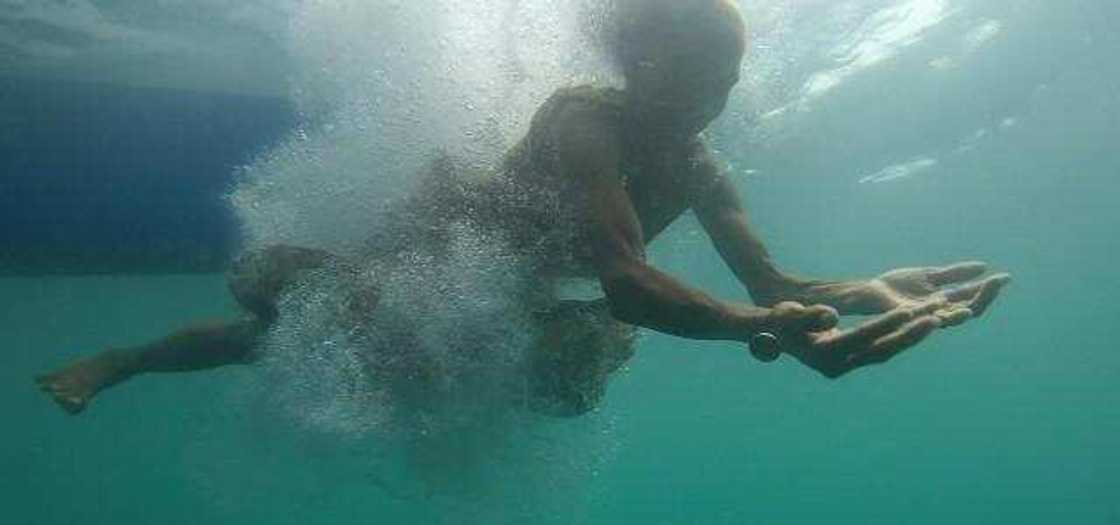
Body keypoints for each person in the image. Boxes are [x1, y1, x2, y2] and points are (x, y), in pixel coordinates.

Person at [36, 0, 1009, 418]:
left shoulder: (697, 163)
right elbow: (627, 278)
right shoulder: (584, 122)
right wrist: (757, 327)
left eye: (733, 70)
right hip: (438, 253)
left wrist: (865, 287)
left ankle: (433, 381)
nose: (723, 87)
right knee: (300, 321)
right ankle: (122, 360)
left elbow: (776, 282)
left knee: (574, 381)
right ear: (646, 63)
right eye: (707, 67)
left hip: (519, 295)